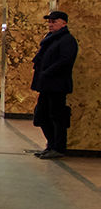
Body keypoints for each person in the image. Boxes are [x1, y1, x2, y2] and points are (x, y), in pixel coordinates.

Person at [32, 10, 78, 159]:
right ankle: (50, 144)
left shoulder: (67, 40)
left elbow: (65, 60)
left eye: (54, 22)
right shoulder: (50, 39)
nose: (50, 25)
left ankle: (58, 147)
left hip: (57, 86)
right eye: (49, 22)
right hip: (46, 85)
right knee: (41, 115)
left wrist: (47, 72)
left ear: (64, 23)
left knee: (57, 116)